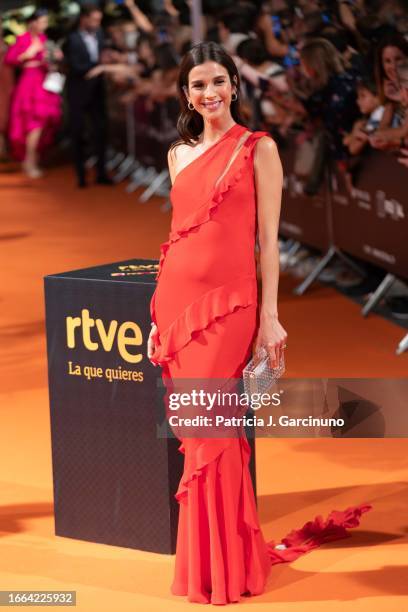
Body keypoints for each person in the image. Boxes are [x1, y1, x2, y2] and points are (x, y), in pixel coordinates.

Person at [146, 41, 372, 604]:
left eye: (218, 81)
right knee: (196, 433)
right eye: (198, 85)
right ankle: (205, 566)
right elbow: (178, 237)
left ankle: (227, 567)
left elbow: (268, 244)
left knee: (216, 436)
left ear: (234, 85)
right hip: (176, 304)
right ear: (186, 94)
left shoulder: (257, 148)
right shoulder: (177, 154)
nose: (209, 93)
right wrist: (157, 313)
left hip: (231, 306)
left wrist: (270, 318)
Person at [4, 8, 62, 177]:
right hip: (29, 84)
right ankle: (29, 161)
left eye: (46, 22)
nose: (44, 25)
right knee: (32, 123)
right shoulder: (22, 39)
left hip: (44, 83)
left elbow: (49, 61)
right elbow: (9, 59)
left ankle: (33, 158)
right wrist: (27, 54)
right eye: (42, 21)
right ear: (33, 23)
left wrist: (53, 58)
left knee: (42, 123)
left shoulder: (45, 40)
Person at [63, 3, 112, 187]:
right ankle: (81, 176)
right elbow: (75, 66)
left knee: (101, 131)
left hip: (98, 92)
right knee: (78, 133)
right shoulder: (72, 39)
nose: (97, 24)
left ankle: (101, 173)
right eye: (94, 20)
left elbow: (102, 58)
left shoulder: (100, 35)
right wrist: (98, 67)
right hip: (77, 92)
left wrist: (105, 62)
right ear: (84, 19)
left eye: (99, 20)